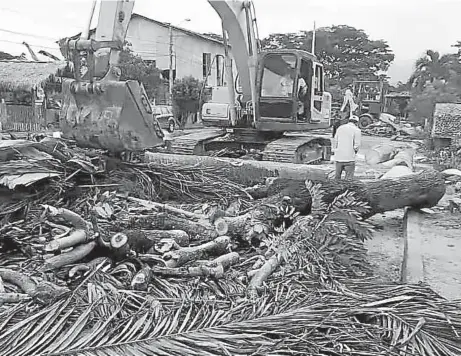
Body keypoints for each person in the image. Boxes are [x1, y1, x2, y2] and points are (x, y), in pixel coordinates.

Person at [332, 115, 361, 180]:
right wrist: (355, 152)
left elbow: (335, 140)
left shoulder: (340, 128)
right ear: (357, 123)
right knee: (348, 179)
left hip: (339, 158)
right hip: (349, 158)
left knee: (337, 178)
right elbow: (356, 145)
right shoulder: (357, 130)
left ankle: (336, 189)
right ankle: (346, 189)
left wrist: (335, 151)